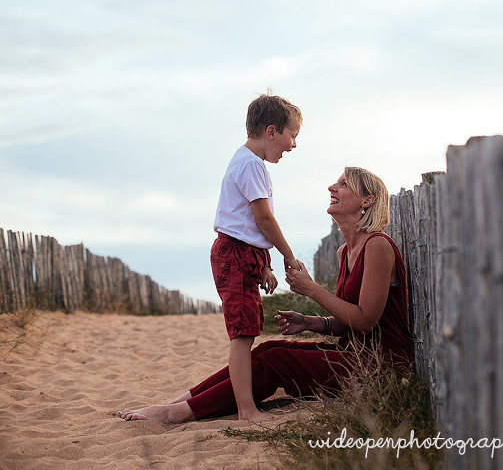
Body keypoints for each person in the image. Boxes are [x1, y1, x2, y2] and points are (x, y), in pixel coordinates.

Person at [117, 167, 413, 423]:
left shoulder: (378, 246)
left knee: (276, 360)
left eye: (343, 184)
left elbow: (364, 321)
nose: (332, 188)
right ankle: (183, 399)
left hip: (379, 367)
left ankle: (179, 413)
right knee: (266, 350)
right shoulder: (343, 252)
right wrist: (310, 322)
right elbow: (346, 321)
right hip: (352, 353)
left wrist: (311, 289)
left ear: (367, 201)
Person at [209, 94, 302, 422]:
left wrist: (264, 265)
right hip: (233, 255)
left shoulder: (250, 163)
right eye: (293, 136)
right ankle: (247, 410)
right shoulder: (250, 164)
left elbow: (249, 224)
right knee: (242, 333)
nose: (293, 145)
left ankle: (247, 406)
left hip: (243, 255)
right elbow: (263, 219)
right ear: (272, 131)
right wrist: (288, 256)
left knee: (247, 329)